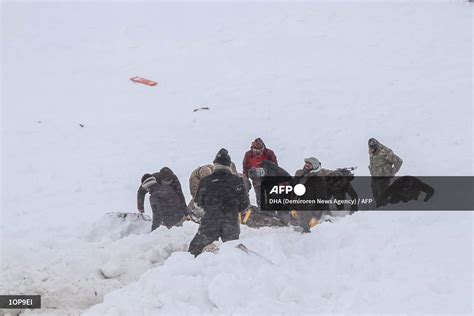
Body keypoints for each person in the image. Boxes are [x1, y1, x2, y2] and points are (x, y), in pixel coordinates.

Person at [188, 148, 250, 256]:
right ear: (228, 166)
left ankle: (197, 268)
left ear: (215, 165)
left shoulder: (206, 181)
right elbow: (245, 204)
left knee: (194, 251)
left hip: (210, 222)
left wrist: (210, 208)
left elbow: (198, 203)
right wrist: (233, 209)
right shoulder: (237, 181)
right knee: (235, 252)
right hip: (231, 222)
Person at [293, 157, 329, 232]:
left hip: (310, 209)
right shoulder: (299, 174)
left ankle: (325, 222)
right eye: (306, 163)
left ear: (314, 166)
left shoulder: (319, 180)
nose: (307, 165)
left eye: (310, 164)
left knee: (309, 227)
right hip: (298, 205)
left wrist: (315, 218)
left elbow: (321, 200)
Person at [242, 138, 278, 207]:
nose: (257, 153)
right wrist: (245, 181)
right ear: (252, 148)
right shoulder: (248, 155)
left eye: (259, 151)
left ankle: (273, 213)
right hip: (256, 180)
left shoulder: (269, 153)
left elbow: (275, 167)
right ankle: (262, 213)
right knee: (260, 198)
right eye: (255, 151)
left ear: (263, 148)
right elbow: (245, 169)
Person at [368, 138, 403, 207]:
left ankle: (383, 209)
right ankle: (379, 205)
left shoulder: (385, 151)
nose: (373, 149)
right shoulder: (371, 149)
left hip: (384, 177)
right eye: (371, 148)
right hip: (375, 175)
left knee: (383, 194)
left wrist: (392, 173)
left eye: (374, 147)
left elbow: (399, 161)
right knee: (375, 192)